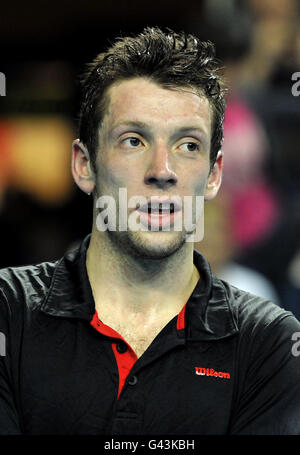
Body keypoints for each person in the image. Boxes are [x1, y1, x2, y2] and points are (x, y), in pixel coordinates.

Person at [0, 27, 299, 435]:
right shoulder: (7, 313)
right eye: (134, 140)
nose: (162, 170)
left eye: (188, 145)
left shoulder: (271, 345)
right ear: (84, 165)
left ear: (214, 176)